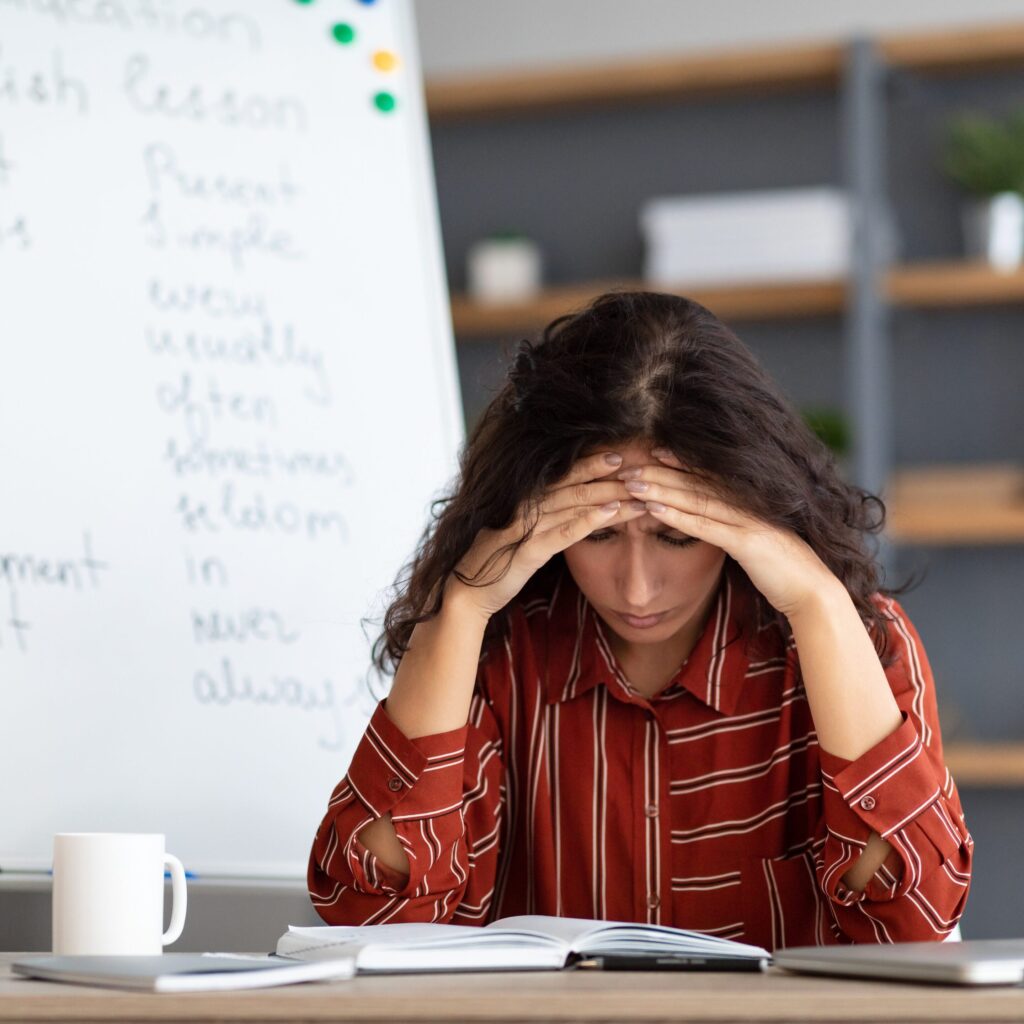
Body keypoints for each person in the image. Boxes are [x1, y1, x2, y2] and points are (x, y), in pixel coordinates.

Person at [308, 290, 972, 949]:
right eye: (596, 535)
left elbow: (909, 925)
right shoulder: (498, 649)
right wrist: (461, 606)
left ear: (751, 517)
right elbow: (375, 920)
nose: (637, 586)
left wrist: (817, 601)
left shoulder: (856, 639)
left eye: (677, 536)